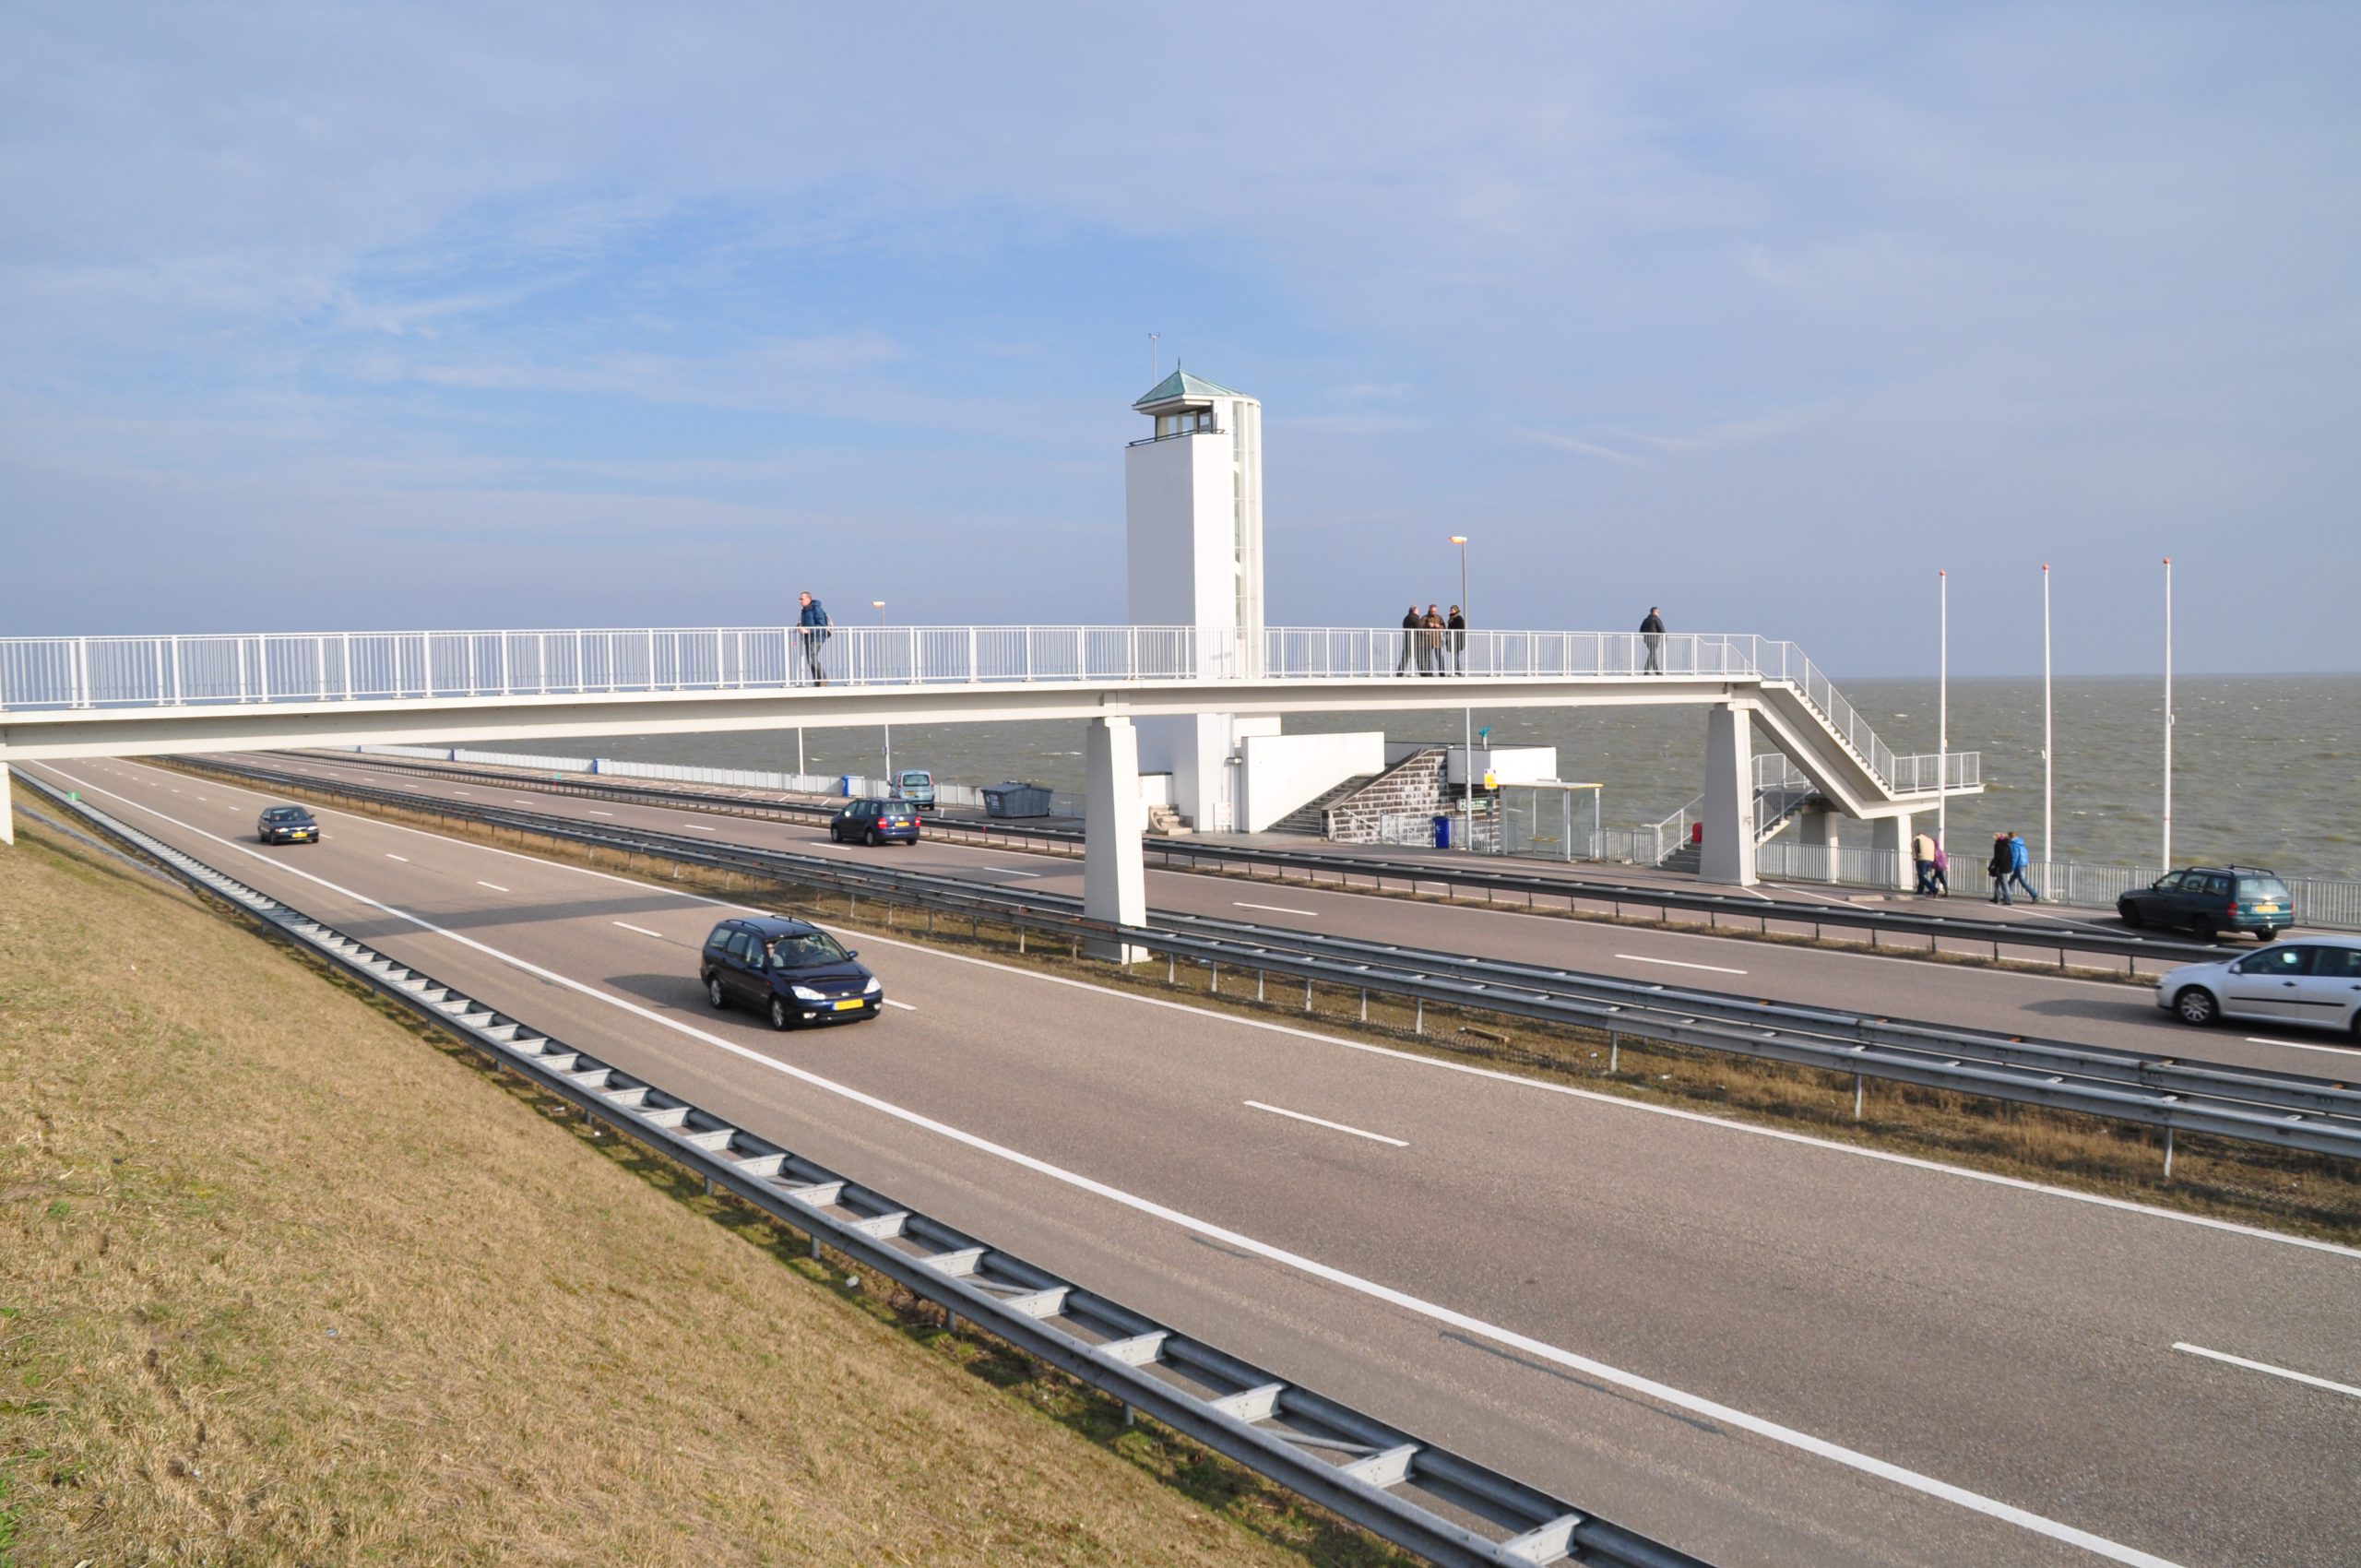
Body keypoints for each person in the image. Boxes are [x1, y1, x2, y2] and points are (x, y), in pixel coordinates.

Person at [796, 590, 832, 685]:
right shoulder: (804, 610)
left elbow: (822, 625)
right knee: (810, 660)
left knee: (812, 658)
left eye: (802, 599)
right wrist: (800, 626)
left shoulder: (816, 609)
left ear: (808, 599)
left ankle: (823, 679)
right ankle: (817, 681)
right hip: (808, 638)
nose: (800, 601)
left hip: (817, 637)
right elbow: (804, 623)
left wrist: (808, 630)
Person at [2006, 830, 2041, 902]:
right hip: (2023, 863)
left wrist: (2012, 867)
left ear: (2010, 837)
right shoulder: (2020, 843)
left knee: (2023, 882)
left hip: (2019, 865)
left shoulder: (2014, 845)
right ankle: (2007, 895)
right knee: (2012, 880)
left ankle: (2035, 895)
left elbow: (2015, 857)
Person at [1987, 831, 2014, 905]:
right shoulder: (2008, 845)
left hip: (2001, 867)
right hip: (2007, 866)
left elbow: (1997, 857)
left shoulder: (1997, 845)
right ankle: (1996, 898)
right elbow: (2010, 856)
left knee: (2004, 884)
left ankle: (2008, 900)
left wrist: (1992, 866)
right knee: (1997, 883)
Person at [1419, 604, 1445, 675]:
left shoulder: (1439, 617)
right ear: (1429, 610)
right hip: (1427, 641)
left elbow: (1444, 627)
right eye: (1432, 611)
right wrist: (1427, 625)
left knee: (1440, 658)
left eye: (1435, 611)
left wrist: (1438, 626)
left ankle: (1442, 673)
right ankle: (1430, 673)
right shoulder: (1424, 618)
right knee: (1428, 658)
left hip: (1437, 641)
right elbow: (1419, 628)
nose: (1434, 613)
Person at [1912, 828, 1939, 896]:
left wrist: (1915, 858)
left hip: (1922, 859)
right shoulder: (1930, 840)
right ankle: (1920, 891)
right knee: (1922, 876)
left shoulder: (1917, 838)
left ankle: (1933, 889)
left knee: (1921, 876)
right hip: (1930, 860)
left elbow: (1915, 847)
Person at [1395, 604, 1420, 675]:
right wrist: (1425, 633)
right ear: (1414, 611)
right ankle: (1424, 673)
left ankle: (1399, 673)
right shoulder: (1415, 618)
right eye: (1418, 611)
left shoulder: (1406, 618)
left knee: (1405, 657)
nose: (1419, 612)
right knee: (1419, 657)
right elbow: (1419, 628)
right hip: (1414, 640)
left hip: (1407, 639)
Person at [1640, 607, 1667, 673]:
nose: (1659, 613)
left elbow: (1641, 630)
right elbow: (1662, 630)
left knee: (1653, 654)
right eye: (1658, 612)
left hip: (1647, 640)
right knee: (1653, 654)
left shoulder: (1645, 620)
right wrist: (1665, 637)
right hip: (1654, 640)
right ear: (1654, 612)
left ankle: (1656, 671)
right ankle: (1646, 670)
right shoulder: (1656, 620)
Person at [1447, 605, 1467, 674]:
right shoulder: (1451, 619)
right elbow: (1449, 629)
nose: (1451, 611)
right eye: (1451, 610)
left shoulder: (1459, 618)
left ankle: (1457, 671)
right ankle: (1455, 670)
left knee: (1456, 656)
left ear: (1456, 610)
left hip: (1458, 640)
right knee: (1454, 656)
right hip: (1452, 640)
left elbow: (1461, 629)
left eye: (1452, 610)